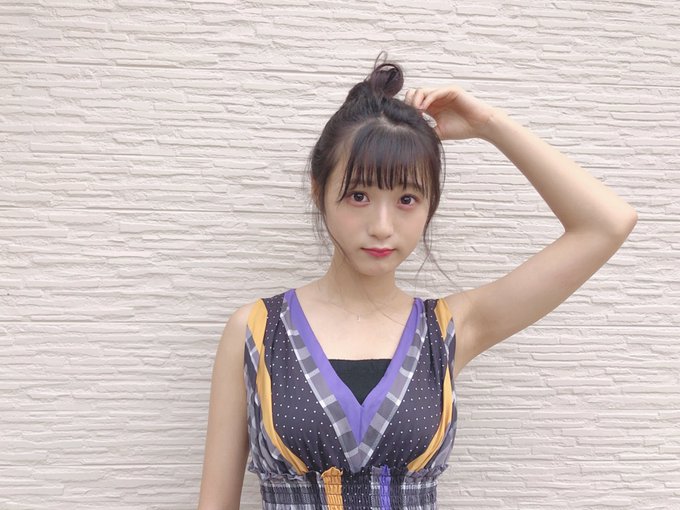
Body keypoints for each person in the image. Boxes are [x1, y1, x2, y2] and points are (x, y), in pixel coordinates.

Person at [196, 51, 637, 510]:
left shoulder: (448, 330)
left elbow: (607, 224)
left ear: (431, 205)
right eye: (359, 195)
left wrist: (489, 124)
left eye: (407, 198)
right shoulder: (256, 331)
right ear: (319, 190)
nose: (382, 226)